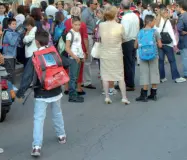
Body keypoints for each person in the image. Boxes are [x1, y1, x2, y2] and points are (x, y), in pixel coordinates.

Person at [16, 30, 66, 157]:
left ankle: (37, 146)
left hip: (41, 92)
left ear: (36, 42)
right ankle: (61, 135)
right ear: (48, 39)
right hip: (56, 88)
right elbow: (64, 64)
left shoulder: (35, 56)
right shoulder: (54, 52)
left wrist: (20, 93)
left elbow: (27, 77)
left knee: (39, 119)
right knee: (57, 113)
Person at [99, 6, 130, 104]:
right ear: (115, 14)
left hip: (104, 53)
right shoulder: (119, 26)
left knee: (105, 76)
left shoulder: (101, 25)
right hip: (116, 54)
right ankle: (124, 97)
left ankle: (107, 97)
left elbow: (100, 37)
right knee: (120, 76)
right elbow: (124, 38)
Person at [135, 15, 162, 102]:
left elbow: (135, 45)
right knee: (154, 73)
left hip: (143, 56)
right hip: (154, 55)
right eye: (154, 21)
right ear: (150, 22)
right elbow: (160, 45)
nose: (155, 23)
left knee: (144, 74)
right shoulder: (155, 32)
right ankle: (153, 94)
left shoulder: (140, 32)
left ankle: (144, 95)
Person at [157, 5, 186, 83]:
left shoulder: (157, 21)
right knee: (172, 60)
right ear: (165, 13)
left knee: (161, 61)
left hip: (159, 43)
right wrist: (175, 43)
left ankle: (161, 77)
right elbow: (171, 32)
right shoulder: (167, 21)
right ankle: (176, 77)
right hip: (167, 43)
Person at [64, 6, 88, 96]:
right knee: (79, 70)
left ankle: (67, 87)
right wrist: (87, 51)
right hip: (78, 50)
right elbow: (85, 38)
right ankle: (78, 88)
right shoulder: (82, 24)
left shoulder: (66, 22)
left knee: (68, 69)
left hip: (68, 49)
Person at [121, 0, 139, 91]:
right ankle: (130, 82)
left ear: (121, 6)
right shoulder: (135, 16)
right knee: (131, 62)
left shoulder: (125, 18)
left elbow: (125, 32)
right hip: (134, 40)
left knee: (127, 63)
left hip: (127, 41)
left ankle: (129, 83)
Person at [65, 16, 85, 103]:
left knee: (75, 77)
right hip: (73, 58)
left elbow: (78, 46)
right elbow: (67, 48)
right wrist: (75, 57)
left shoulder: (78, 33)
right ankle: (72, 96)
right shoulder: (70, 34)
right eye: (75, 24)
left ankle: (74, 94)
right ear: (72, 24)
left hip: (78, 58)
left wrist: (82, 55)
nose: (78, 26)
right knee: (73, 77)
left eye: (79, 24)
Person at [81, 0, 98, 89]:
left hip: (91, 36)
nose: (97, 5)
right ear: (90, 4)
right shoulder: (85, 13)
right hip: (87, 36)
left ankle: (85, 80)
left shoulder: (91, 12)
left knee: (88, 60)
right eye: (95, 3)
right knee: (87, 60)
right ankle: (87, 81)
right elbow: (82, 27)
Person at [2, 18, 20, 84]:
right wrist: (17, 34)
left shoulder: (13, 32)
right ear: (9, 25)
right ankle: (9, 87)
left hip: (12, 55)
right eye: (13, 24)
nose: (15, 25)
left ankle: (9, 86)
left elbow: (18, 43)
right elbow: (12, 43)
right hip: (8, 55)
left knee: (11, 71)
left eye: (15, 24)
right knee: (9, 72)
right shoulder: (8, 33)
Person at [177, 0, 187, 78]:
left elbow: (179, 29)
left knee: (185, 57)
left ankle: (186, 73)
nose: (177, 8)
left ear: (181, 7)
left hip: (184, 40)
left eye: (177, 6)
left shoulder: (182, 17)